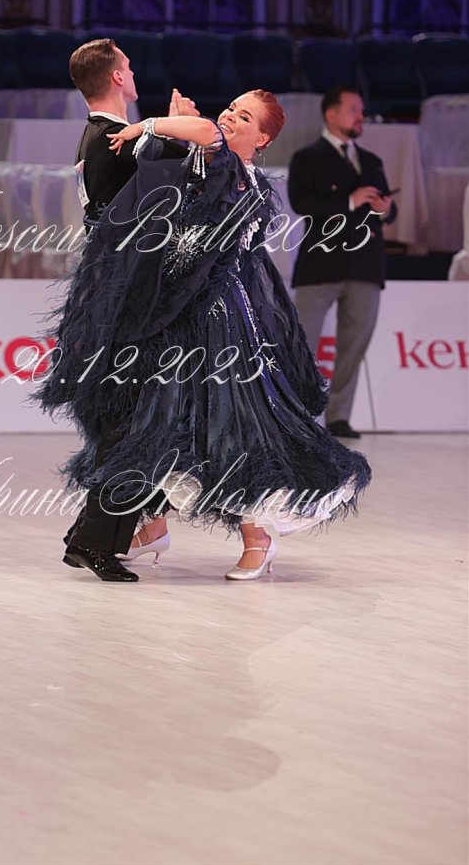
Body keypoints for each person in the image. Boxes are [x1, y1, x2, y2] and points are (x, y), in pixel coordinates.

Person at [39, 90, 371, 582]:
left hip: (220, 325)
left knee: (230, 429)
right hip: (183, 314)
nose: (230, 117)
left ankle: (257, 539)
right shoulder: (209, 161)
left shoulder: (234, 168)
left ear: (263, 140)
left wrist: (146, 125)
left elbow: (204, 134)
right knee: (163, 424)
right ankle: (152, 528)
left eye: (244, 117)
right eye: (231, 108)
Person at [58, 38, 196, 582]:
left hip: (113, 294)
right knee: (131, 422)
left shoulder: (99, 137)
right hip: (128, 299)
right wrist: (181, 128)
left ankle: (94, 536)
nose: (134, 73)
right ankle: (91, 540)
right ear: (116, 77)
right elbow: (178, 187)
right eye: (129, 67)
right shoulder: (118, 141)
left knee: (133, 420)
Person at [288, 86, 397, 439]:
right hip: (321, 264)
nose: (360, 116)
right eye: (353, 109)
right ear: (331, 113)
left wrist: (384, 209)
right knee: (303, 343)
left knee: (354, 344)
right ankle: (297, 415)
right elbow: (302, 203)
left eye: (362, 110)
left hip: (365, 266)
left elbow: (389, 211)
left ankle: (339, 415)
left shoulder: (372, 161)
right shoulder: (307, 157)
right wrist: (350, 201)